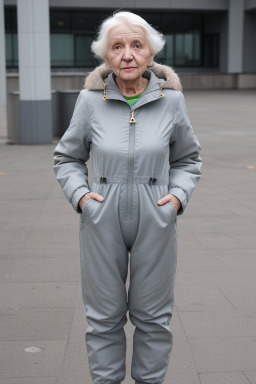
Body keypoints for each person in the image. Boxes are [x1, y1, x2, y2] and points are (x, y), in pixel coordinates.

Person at [53, 10, 202, 384]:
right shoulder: (90, 100)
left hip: (157, 213)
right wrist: (82, 196)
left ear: (151, 54)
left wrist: (178, 197)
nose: (127, 55)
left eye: (137, 45)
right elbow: (68, 157)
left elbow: (188, 158)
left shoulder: (172, 101)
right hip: (102, 213)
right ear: (106, 56)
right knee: (103, 316)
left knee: (153, 316)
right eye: (117, 46)